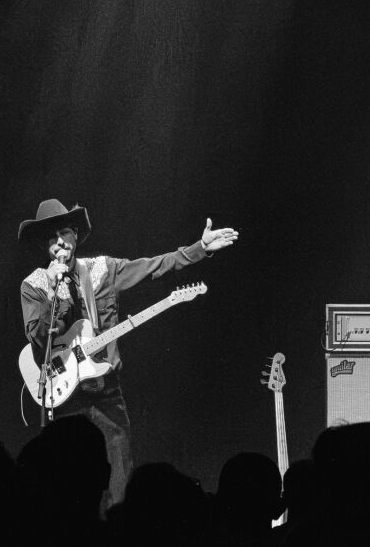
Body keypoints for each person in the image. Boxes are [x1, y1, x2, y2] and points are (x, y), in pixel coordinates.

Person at [17, 199, 238, 511]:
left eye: (64, 232)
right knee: (68, 485)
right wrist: (53, 290)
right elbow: (38, 340)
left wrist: (200, 248)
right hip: (65, 400)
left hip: (107, 394)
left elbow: (153, 267)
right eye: (51, 237)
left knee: (119, 479)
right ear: (45, 245)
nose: (59, 242)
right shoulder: (34, 285)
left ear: (75, 235)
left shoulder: (102, 269)